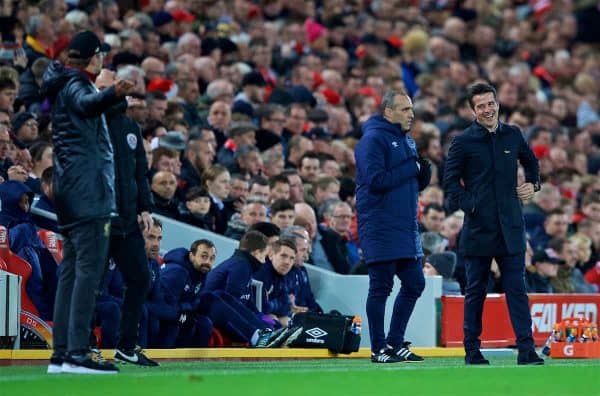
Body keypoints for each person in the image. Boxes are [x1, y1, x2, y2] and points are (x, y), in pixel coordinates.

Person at [41, 30, 134, 374]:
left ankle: (62, 354)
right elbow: (86, 104)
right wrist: (112, 92)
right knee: (87, 274)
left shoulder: (62, 82)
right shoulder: (77, 84)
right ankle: (77, 352)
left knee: (71, 271)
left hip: (71, 189)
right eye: (100, 55)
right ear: (92, 57)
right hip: (88, 192)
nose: (103, 61)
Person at [443, 82, 544, 366]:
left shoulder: (513, 134)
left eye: (491, 104)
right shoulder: (462, 141)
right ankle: (472, 351)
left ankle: (527, 350)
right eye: (481, 106)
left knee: (517, 290)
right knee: (475, 290)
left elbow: (533, 163)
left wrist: (533, 184)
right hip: (478, 229)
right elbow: (450, 182)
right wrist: (471, 205)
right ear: (472, 110)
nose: (487, 110)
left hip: (511, 227)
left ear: (497, 103)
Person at [354, 90, 431, 364]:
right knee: (381, 287)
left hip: (405, 227)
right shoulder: (372, 139)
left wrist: (424, 172)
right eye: (405, 109)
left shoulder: (406, 141)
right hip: (380, 225)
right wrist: (412, 167)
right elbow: (376, 180)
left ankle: (396, 342)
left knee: (415, 283)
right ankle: (378, 348)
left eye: (411, 109)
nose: (411, 114)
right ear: (388, 112)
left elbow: (410, 180)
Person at [95, 69, 158, 367]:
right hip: (98, 219)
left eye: (116, 86)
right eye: (106, 86)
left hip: (128, 221)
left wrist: (146, 208)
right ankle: (81, 346)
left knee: (140, 278)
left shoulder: (131, 128)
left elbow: (140, 175)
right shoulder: (89, 124)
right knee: (90, 284)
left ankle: (126, 346)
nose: (114, 90)